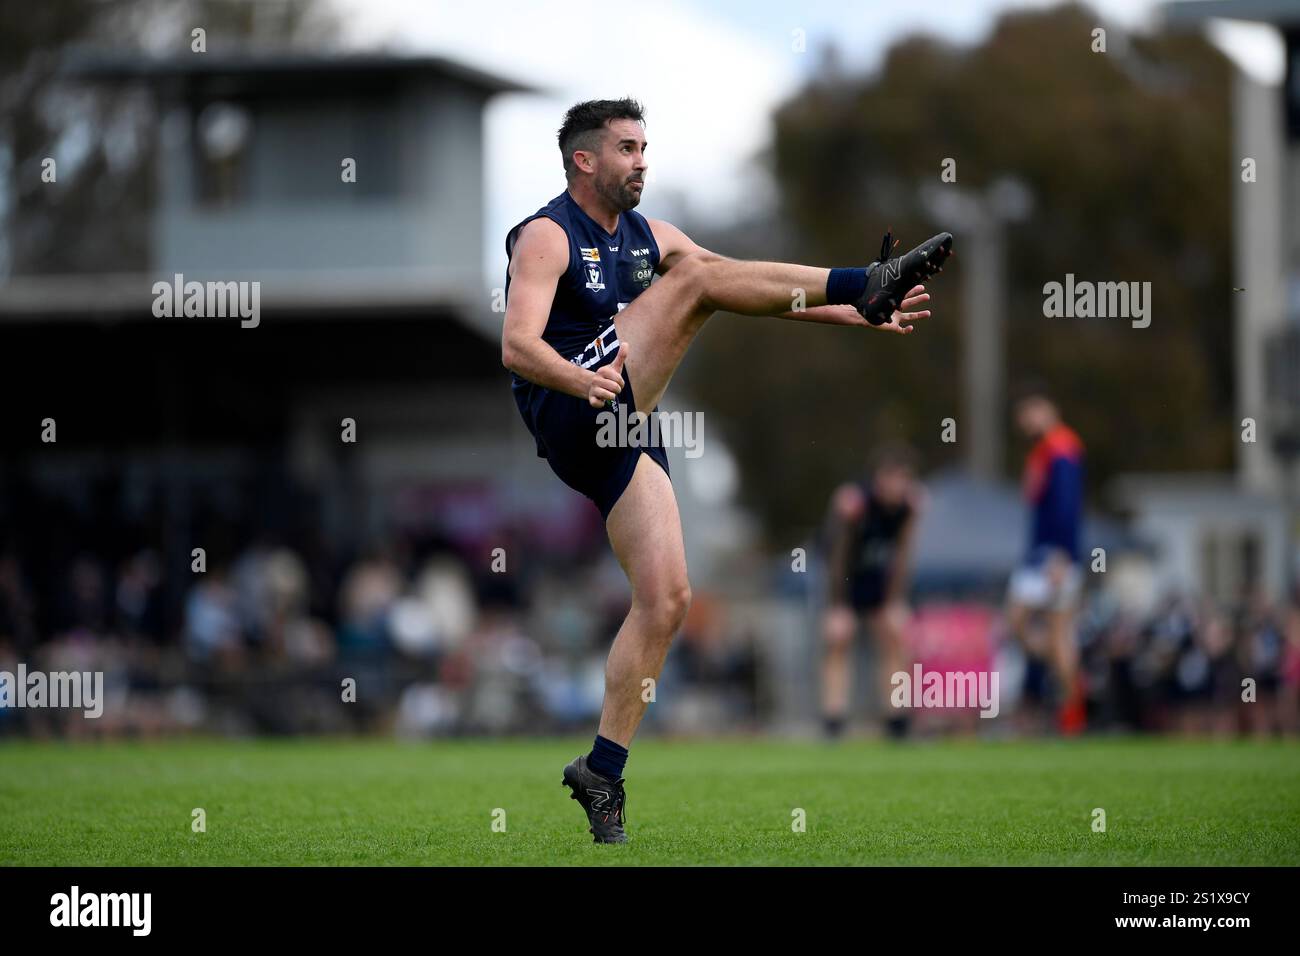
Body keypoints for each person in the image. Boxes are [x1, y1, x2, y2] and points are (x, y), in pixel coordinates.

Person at [501, 98, 952, 843]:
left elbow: (743, 285)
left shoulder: (651, 236)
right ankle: (866, 277)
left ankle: (602, 772)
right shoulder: (547, 237)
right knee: (696, 282)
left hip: (627, 423)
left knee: (668, 598)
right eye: (625, 147)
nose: (642, 159)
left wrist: (855, 314)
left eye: (645, 146)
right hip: (571, 404)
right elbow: (517, 346)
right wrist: (580, 382)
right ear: (584, 160)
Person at [820, 444, 926, 739]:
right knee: (840, 639)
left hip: (877, 578)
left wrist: (895, 601)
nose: (896, 485)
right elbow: (837, 555)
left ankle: (896, 718)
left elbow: (903, 556)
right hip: (843, 578)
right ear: (879, 479)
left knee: (894, 635)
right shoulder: (854, 503)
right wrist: (837, 605)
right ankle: (834, 719)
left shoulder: (910, 507)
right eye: (890, 478)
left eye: (902, 478)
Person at [1005, 383, 1086, 735]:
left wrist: (1062, 557)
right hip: (1042, 555)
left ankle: (1072, 715)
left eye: (1028, 414)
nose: (1024, 422)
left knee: (1038, 626)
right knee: (1048, 636)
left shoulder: (1061, 449)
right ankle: (1065, 702)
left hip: (1053, 558)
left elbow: (1067, 509)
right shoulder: (1044, 451)